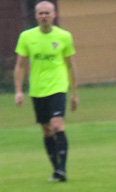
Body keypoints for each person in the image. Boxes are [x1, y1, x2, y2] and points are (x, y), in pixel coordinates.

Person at [14, 1, 78, 182]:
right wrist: (18, 91)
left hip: (58, 87)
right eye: (40, 13)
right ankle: (56, 169)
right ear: (36, 16)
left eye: (47, 13)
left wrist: (74, 93)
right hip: (37, 89)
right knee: (47, 130)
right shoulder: (27, 37)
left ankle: (62, 169)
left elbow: (70, 66)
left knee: (57, 125)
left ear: (54, 15)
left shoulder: (64, 36)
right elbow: (20, 66)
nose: (44, 16)